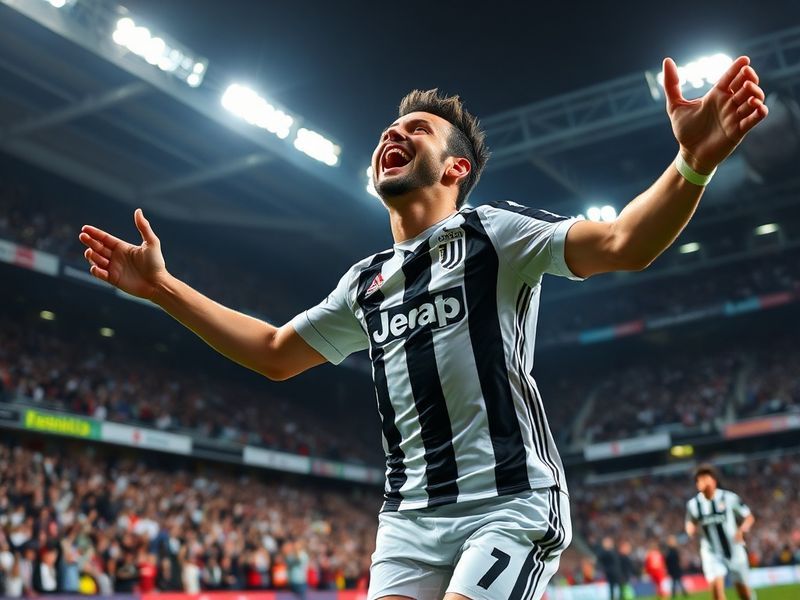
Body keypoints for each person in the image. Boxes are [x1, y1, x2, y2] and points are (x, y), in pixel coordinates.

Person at [78, 55, 768, 600]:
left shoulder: (493, 235)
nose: (394, 133)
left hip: (509, 501)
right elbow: (274, 353)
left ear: (456, 168)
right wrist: (163, 290)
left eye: (417, 131)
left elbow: (623, 243)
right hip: (409, 517)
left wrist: (692, 163)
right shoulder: (364, 283)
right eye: (390, 130)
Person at [685, 464, 756, 600]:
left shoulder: (729, 497)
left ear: (714, 480)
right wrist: (690, 530)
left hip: (735, 550)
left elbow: (749, 517)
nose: (703, 482)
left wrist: (742, 530)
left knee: (744, 592)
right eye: (699, 479)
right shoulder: (693, 504)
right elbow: (690, 523)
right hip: (711, 552)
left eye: (705, 478)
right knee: (716, 591)